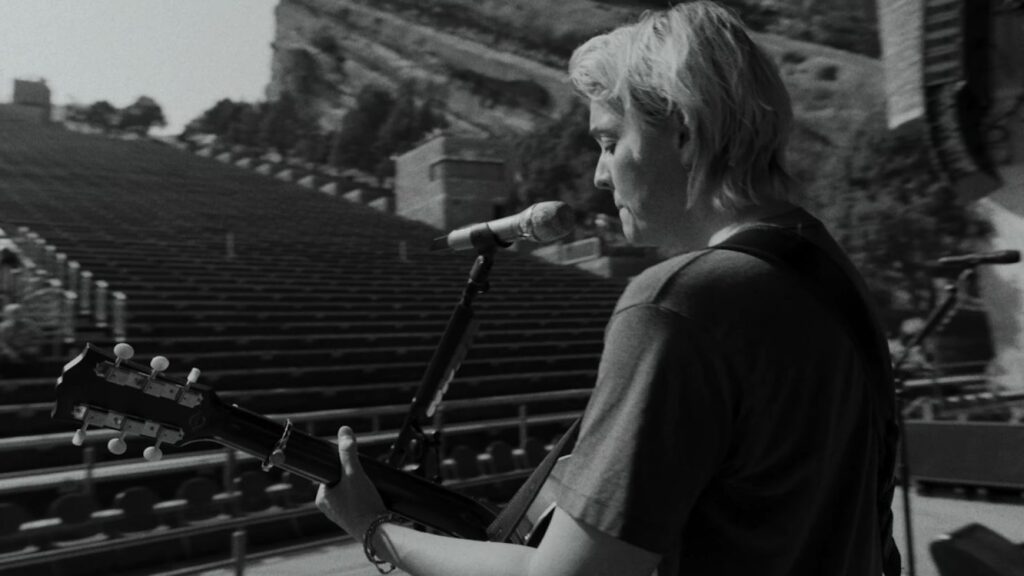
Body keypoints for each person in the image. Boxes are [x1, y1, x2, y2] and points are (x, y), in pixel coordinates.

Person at [317, 2, 900, 575]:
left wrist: (375, 529)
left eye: (610, 141)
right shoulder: (829, 275)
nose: (600, 174)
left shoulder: (681, 303)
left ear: (685, 132)